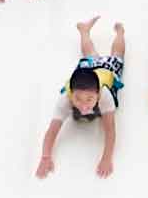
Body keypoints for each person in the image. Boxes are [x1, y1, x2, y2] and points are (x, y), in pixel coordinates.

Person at [37, 17, 125, 179]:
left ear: (97, 95)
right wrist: (45, 157)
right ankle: (84, 30)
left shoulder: (105, 96)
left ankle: (120, 33)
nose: (84, 105)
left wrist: (106, 157)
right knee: (88, 53)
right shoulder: (66, 99)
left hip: (107, 70)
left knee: (117, 55)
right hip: (87, 69)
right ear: (71, 93)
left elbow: (110, 129)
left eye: (89, 99)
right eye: (78, 99)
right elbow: (52, 130)